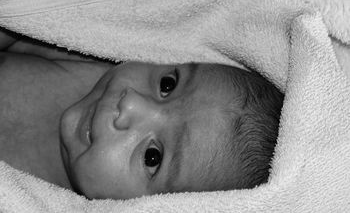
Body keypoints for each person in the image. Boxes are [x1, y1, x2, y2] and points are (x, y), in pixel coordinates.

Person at [0, 28, 283, 200]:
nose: (131, 104)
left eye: (152, 156)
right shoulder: (85, 61)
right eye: (167, 85)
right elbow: (21, 15)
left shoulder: (40, 203)